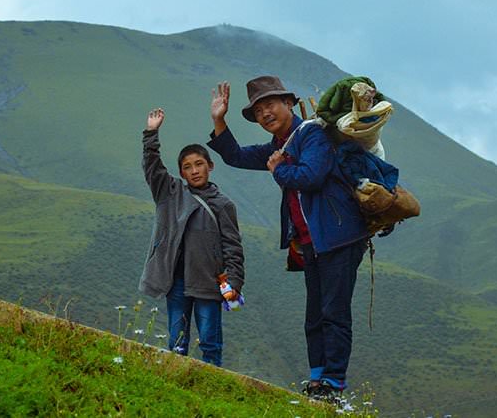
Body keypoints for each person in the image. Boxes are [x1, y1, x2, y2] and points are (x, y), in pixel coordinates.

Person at [206, 76, 369, 399]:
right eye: (259, 110)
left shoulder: (312, 135)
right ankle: (317, 379)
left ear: (289, 103)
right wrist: (219, 119)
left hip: (338, 236)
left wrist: (279, 170)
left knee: (334, 312)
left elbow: (312, 176)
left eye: (270, 105)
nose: (265, 113)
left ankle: (334, 383)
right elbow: (236, 156)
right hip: (311, 243)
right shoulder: (279, 146)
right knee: (315, 314)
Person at [138, 107, 245, 367]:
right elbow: (152, 168)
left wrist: (234, 283)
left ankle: (213, 385)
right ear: (182, 173)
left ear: (210, 166)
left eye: (199, 164)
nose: (194, 170)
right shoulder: (169, 194)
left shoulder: (223, 204)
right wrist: (151, 133)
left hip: (209, 282)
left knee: (210, 341)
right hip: (174, 282)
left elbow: (233, 247)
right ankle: (176, 382)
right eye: (187, 167)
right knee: (177, 340)